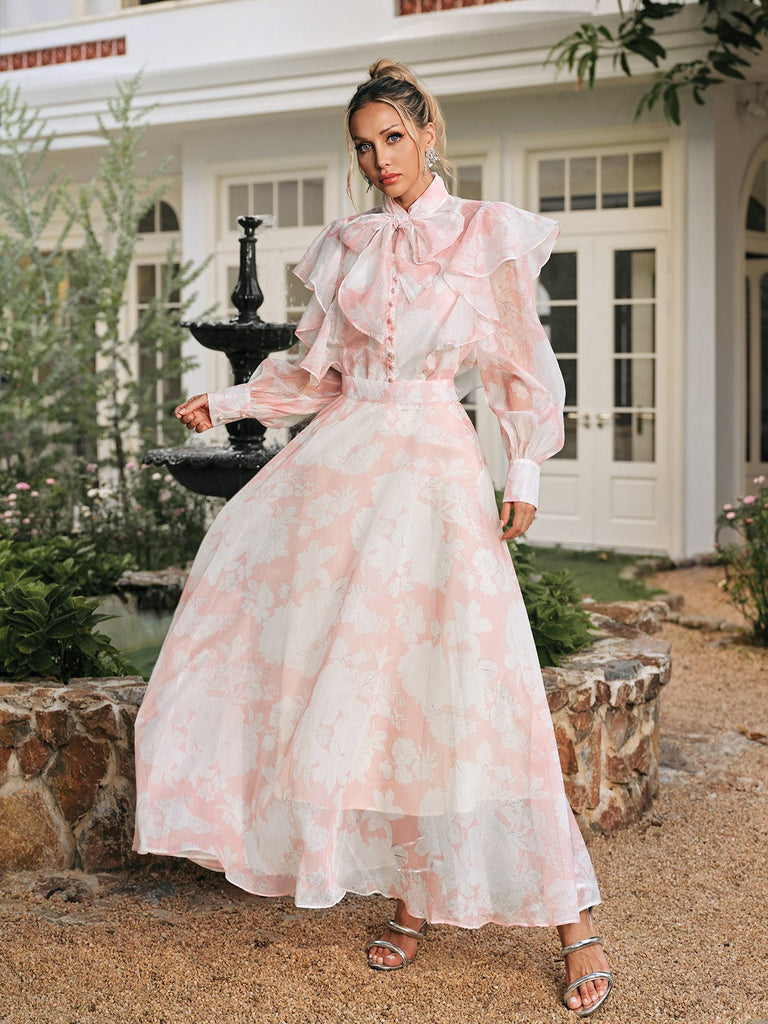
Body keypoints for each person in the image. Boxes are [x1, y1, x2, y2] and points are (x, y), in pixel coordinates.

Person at [133, 59, 613, 1018]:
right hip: (346, 470)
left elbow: (521, 366)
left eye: (393, 138)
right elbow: (318, 377)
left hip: (434, 473)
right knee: (377, 687)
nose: (379, 159)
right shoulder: (348, 243)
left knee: (479, 684)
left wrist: (524, 469)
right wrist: (227, 401)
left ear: (428, 134)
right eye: (363, 145)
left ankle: (575, 920)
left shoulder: (484, 233)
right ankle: (412, 897)